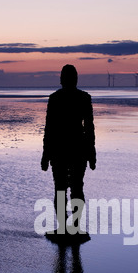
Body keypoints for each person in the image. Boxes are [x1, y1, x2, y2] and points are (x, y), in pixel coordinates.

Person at [41, 65, 96, 234]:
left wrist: (46, 155)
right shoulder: (84, 98)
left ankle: (66, 227)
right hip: (76, 149)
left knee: (62, 189)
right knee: (76, 188)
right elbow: (89, 129)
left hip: (62, 150)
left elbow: (49, 129)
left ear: (62, 79)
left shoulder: (55, 99)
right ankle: (74, 227)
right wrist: (91, 153)